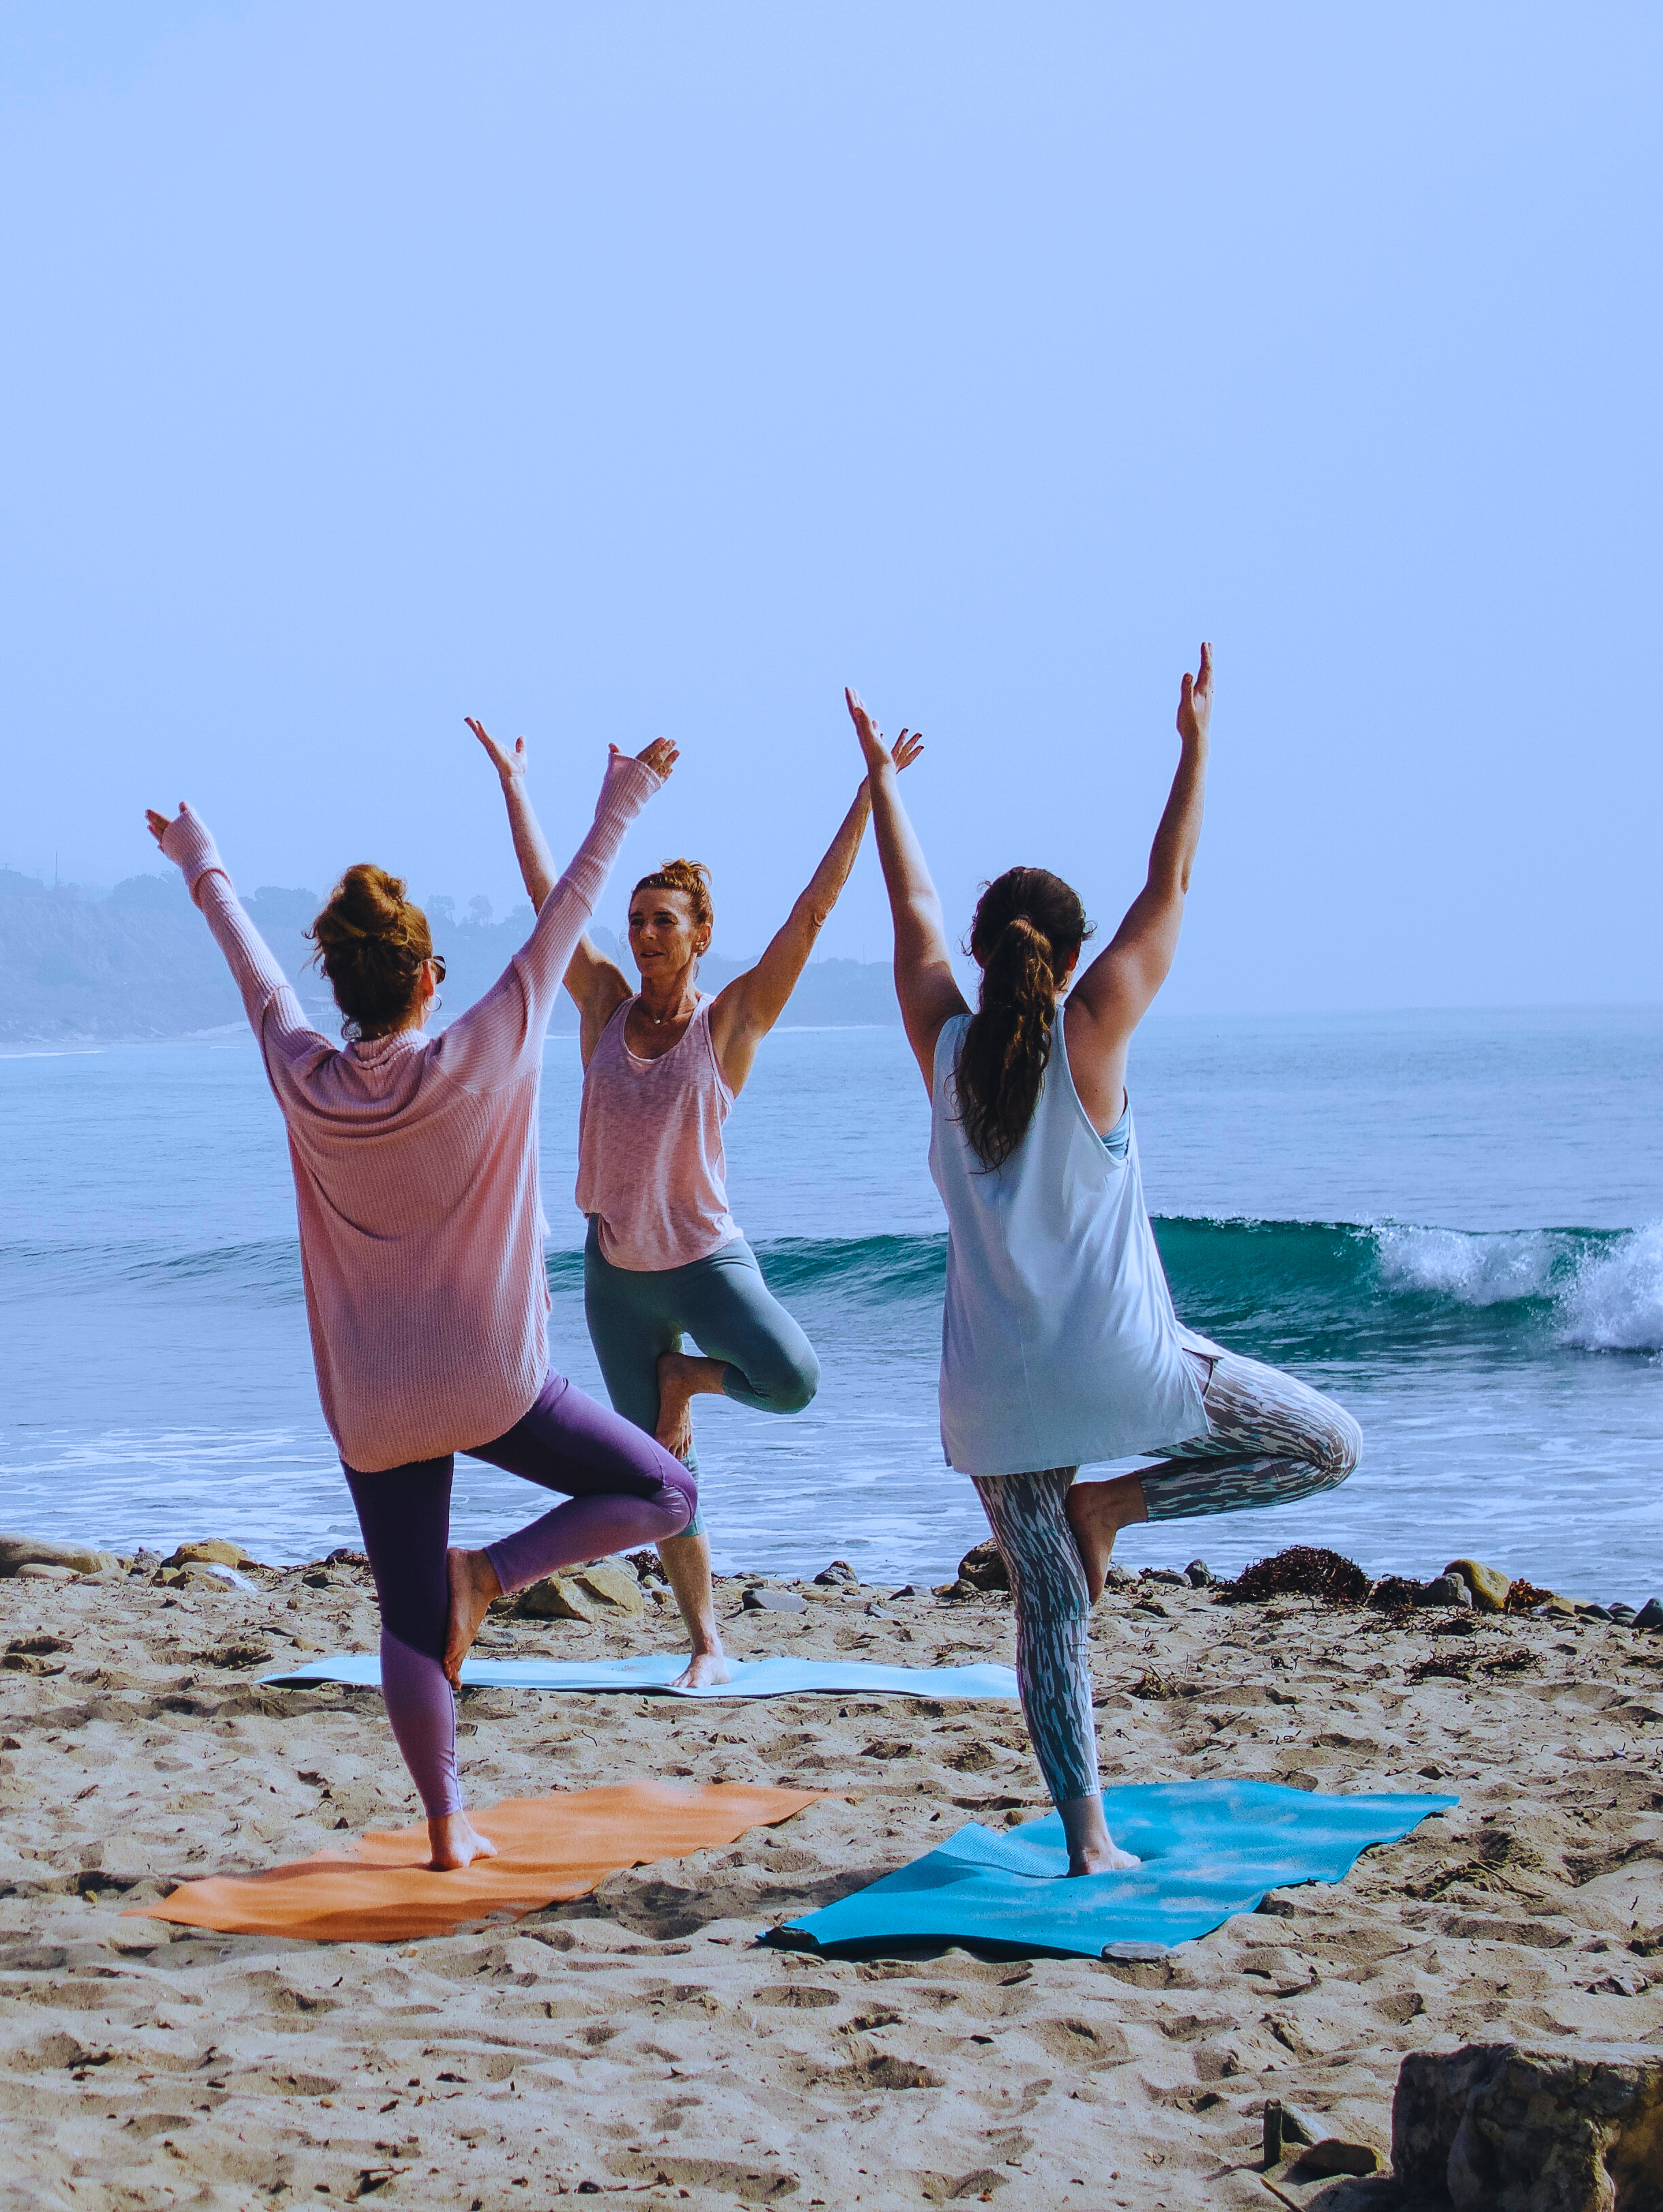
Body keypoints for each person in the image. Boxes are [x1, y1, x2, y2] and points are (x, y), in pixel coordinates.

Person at [849, 649, 1360, 1873]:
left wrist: (884, 785)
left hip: (996, 1397)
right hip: (1129, 1371)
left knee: (1051, 1616)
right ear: (1070, 959)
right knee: (1329, 1448)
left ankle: (1089, 1843)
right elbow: (1170, 879)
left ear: (982, 957)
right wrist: (1194, 745)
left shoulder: (945, 1047)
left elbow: (908, 916)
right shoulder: (1098, 1033)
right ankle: (1121, 1501)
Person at [148, 741, 699, 1871]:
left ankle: (447, 1834)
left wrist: (200, 859)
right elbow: (571, 909)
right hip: (494, 1382)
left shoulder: (301, 1073)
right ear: (427, 979)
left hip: (375, 1403)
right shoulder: (483, 1050)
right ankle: (489, 1575)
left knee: (405, 1621)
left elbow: (253, 969)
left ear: (344, 991)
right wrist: (624, 797)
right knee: (665, 1490)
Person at [465, 716, 923, 1684]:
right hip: (617, 1277)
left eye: (662, 921)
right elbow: (555, 899)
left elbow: (813, 913)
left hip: (708, 1264)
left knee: (793, 1379)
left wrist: (868, 793)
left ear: (701, 934)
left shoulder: (733, 1023)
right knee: (664, 1485)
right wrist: (515, 783)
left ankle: (690, 1381)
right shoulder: (598, 1007)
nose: (641, 935)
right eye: (636, 920)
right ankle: (707, 1642)